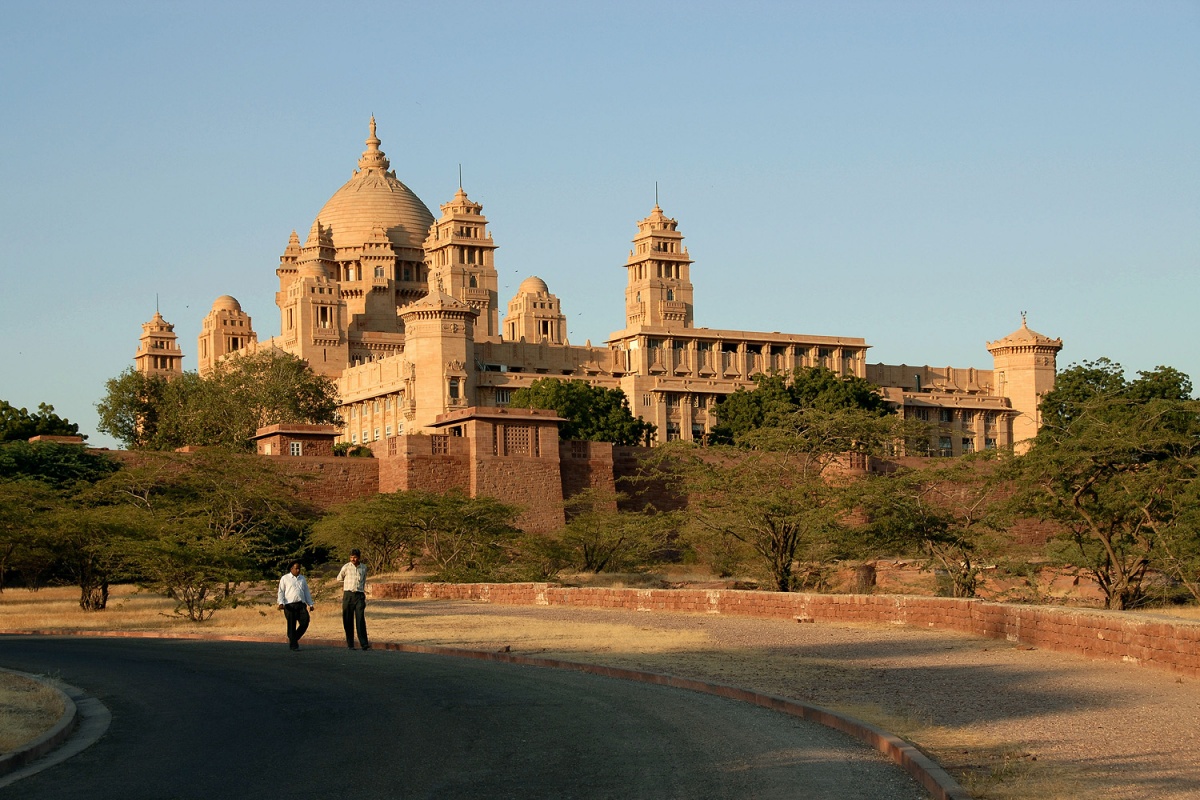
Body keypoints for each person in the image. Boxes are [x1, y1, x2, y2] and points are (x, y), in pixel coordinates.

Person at [277, 561, 315, 651]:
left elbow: (306, 592)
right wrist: (281, 603)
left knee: (305, 621)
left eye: (299, 569)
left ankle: (293, 639)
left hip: (301, 604)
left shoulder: (302, 578)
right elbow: (281, 591)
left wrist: (310, 603)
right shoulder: (285, 578)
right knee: (291, 625)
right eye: (296, 568)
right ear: (291, 569)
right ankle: (294, 645)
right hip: (289, 605)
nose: (298, 570)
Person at [337, 549, 370, 650]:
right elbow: (339, 578)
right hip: (348, 595)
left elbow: (363, 580)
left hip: (359, 595)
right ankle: (350, 643)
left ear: (359, 557)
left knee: (360, 619)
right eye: (351, 557)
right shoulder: (346, 567)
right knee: (348, 619)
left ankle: (364, 643)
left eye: (355, 557)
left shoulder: (363, 568)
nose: (353, 559)